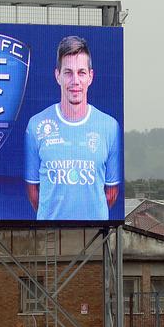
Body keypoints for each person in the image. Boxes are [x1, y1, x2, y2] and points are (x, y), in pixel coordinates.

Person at [25, 36, 121, 220]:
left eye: (81, 72)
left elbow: (112, 193)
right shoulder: (36, 125)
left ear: (90, 77)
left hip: (94, 237)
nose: (75, 81)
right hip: (49, 238)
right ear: (57, 76)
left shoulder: (109, 127)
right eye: (68, 72)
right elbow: (33, 191)